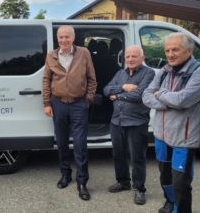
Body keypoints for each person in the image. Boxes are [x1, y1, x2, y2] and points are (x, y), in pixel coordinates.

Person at [142, 33, 200, 213]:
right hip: (161, 134)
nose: (170, 54)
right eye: (167, 50)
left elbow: (183, 100)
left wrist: (160, 94)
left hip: (183, 139)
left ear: (189, 50)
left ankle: (181, 209)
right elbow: (146, 95)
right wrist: (170, 101)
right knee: (165, 178)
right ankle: (170, 202)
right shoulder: (165, 70)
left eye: (175, 49)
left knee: (181, 183)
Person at [42, 25, 96, 201]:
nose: (64, 40)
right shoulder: (51, 55)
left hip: (78, 104)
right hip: (58, 104)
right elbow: (46, 80)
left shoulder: (84, 53)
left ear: (73, 38)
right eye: (61, 37)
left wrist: (87, 100)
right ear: (57, 39)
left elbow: (91, 79)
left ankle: (82, 182)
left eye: (67, 37)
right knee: (62, 142)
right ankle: (65, 174)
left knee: (80, 145)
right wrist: (47, 103)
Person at [103, 45, 155, 205]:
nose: (130, 59)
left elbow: (139, 95)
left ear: (142, 58)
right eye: (128, 56)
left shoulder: (149, 73)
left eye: (134, 56)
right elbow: (106, 90)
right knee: (118, 154)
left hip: (136, 122)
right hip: (116, 121)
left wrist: (117, 96)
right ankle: (123, 182)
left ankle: (139, 189)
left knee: (137, 157)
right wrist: (122, 88)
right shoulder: (120, 73)